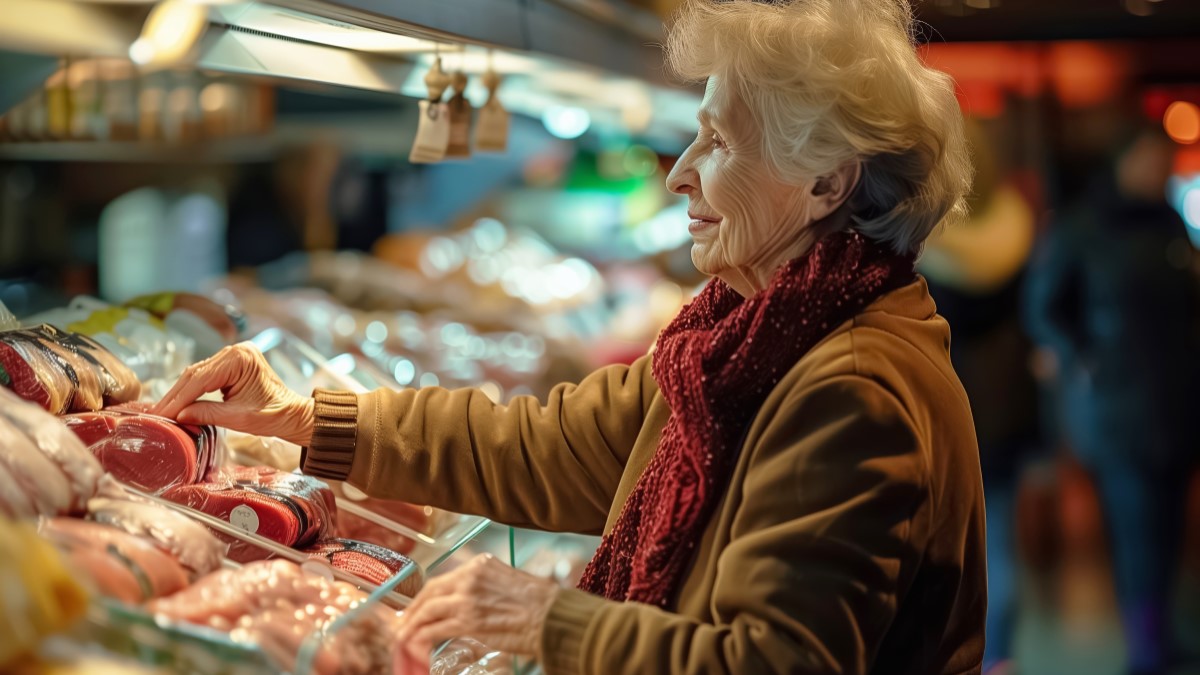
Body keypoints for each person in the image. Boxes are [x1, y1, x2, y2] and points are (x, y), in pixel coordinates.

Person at [154, 1, 985, 673]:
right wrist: (310, 421)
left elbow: (769, 660)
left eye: (722, 140)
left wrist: (548, 619)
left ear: (827, 182)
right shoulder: (748, 339)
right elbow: (546, 444)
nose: (679, 170)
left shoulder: (847, 387)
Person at [1024, 128, 1200, 675]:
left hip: (1179, 398)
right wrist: (1085, 357)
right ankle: (1146, 644)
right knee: (1137, 528)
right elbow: (1044, 309)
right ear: (1123, 161)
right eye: (1149, 160)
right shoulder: (1083, 227)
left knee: (1171, 527)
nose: (1158, 171)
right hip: (1119, 407)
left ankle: (1163, 633)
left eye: (1163, 162)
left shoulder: (1169, 222)